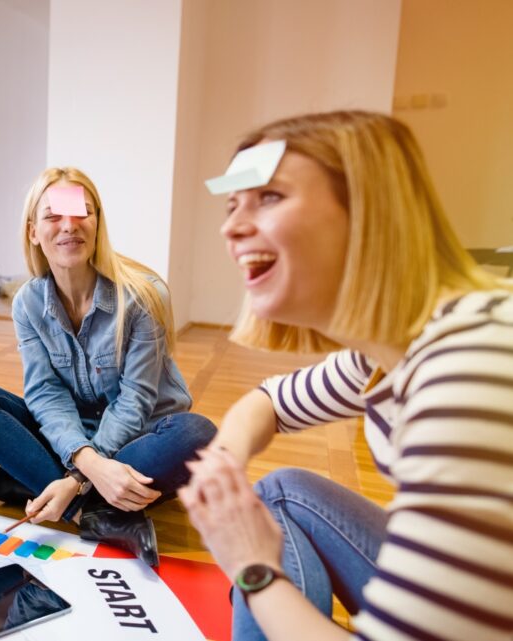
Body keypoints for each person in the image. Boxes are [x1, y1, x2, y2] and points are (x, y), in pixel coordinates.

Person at [179, 110, 513, 641]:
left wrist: (252, 568)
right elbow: (268, 402)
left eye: (269, 197)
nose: (231, 226)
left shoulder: (470, 372)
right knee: (283, 489)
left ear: (370, 213)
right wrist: (225, 461)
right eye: (232, 204)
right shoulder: (384, 351)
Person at [0, 167, 218, 567]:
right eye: (53, 215)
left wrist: (77, 476)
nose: (69, 226)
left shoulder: (144, 295)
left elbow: (137, 400)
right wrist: (87, 467)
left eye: (81, 213)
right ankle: (92, 512)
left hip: (139, 440)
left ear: (97, 223)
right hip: (76, 440)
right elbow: (45, 393)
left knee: (198, 433)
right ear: (33, 232)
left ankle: (39, 482)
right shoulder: (27, 303)